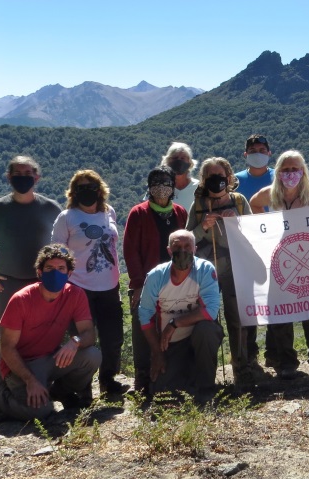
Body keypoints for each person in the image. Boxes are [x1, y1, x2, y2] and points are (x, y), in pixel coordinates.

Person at [0, 156, 62, 389]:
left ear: (37, 177)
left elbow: (65, 244)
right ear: (8, 177)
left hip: (43, 284)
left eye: (28, 174)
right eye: (17, 174)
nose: (23, 178)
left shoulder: (51, 208)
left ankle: (45, 384)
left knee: (45, 335)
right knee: (3, 337)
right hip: (7, 283)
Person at [0, 244, 101, 421]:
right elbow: (7, 348)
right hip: (22, 365)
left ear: (69, 274)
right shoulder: (21, 299)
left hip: (50, 358)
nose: (55, 273)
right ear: (39, 272)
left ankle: (58, 392)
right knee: (40, 412)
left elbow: (88, 334)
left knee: (92, 355)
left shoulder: (75, 294)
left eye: (61, 268)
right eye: (49, 268)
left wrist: (75, 341)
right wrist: (30, 381)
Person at [249, 150, 309, 378]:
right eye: (285, 170)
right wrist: (264, 226)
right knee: (281, 312)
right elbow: (254, 203)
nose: (290, 174)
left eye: (295, 169)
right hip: (280, 261)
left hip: (308, 261)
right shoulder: (271, 194)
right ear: (278, 173)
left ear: (303, 172)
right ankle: (286, 362)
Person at [51, 170, 128, 395]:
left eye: (91, 187)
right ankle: (81, 387)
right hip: (79, 287)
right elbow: (55, 251)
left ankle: (108, 381)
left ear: (100, 190)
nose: (87, 192)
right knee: (84, 340)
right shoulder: (67, 217)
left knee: (113, 339)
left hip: (110, 287)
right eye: (81, 188)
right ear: (74, 192)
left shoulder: (108, 212)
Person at [186, 157, 257, 388]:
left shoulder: (239, 202)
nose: (216, 181)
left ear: (229, 177)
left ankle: (241, 368)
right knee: (208, 319)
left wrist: (237, 223)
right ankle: (208, 371)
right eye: (211, 177)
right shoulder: (197, 206)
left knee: (237, 320)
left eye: (220, 176)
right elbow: (187, 241)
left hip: (235, 268)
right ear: (204, 180)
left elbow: (254, 235)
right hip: (207, 271)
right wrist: (202, 227)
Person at [123, 167, 188, 399]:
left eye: (167, 182)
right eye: (156, 182)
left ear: (173, 186)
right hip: (146, 282)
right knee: (144, 325)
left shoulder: (180, 212)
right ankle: (142, 375)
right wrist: (138, 284)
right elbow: (130, 250)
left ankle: (170, 372)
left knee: (171, 322)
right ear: (149, 187)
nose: (162, 187)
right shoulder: (138, 213)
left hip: (175, 280)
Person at [138, 230, 224, 402]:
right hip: (168, 343)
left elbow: (210, 311)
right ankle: (185, 377)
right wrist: (157, 353)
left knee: (207, 329)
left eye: (187, 246)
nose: (182, 251)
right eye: (177, 246)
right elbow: (145, 317)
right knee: (166, 396)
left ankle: (207, 388)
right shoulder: (156, 276)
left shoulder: (205, 270)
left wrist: (175, 323)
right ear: (169, 250)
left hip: (197, 336)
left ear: (195, 249)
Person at [162, 142, 199, 211]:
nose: (179, 161)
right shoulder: (159, 187)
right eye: (175, 158)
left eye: (183, 158)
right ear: (168, 161)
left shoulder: (199, 188)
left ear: (189, 162)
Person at [235, 134, 274, 201]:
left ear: (269, 153)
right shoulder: (235, 181)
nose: (258, 154)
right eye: (253, 151)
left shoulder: (280, 177)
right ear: (245, 155)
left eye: (262, 150)